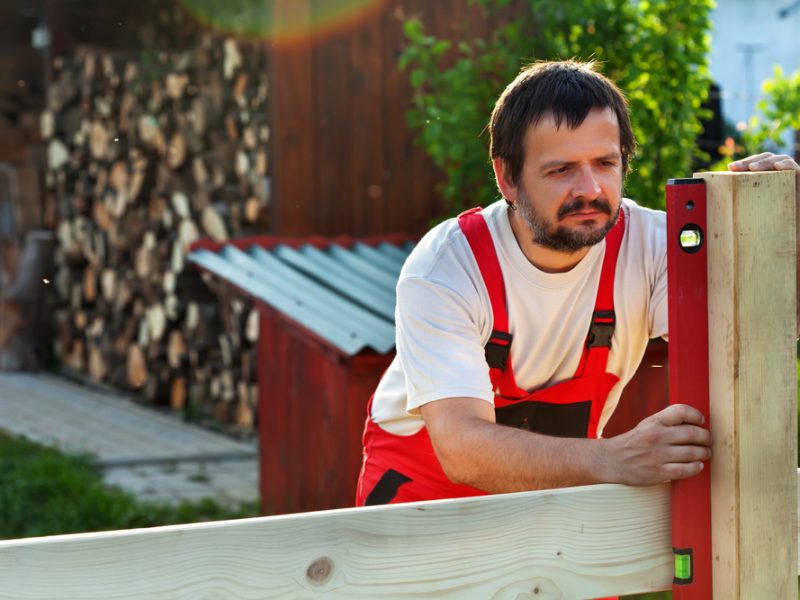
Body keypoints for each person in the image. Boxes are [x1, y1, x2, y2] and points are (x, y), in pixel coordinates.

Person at [355, 59, 800, 507]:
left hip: (552, 504)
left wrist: (775, 230)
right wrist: (613, 458)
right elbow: (462, 450)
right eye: (561, 169)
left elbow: (754, 337)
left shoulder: (656, 248)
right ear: (507, 177)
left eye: (605, 163)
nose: (589, 189)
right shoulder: (448, 267)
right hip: (418, 515)